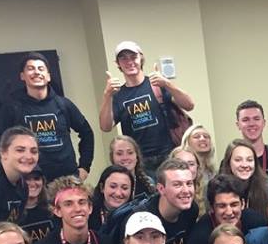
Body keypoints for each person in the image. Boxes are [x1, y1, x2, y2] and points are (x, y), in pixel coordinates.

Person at [0, 51, 94, 182]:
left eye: (41, 68)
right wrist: (5, 175)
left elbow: (87, 133)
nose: (36, 72)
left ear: (48, 76)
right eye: (30, 68)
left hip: (67, 181)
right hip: (31, 184)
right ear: (22, 76)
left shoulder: (64, 104)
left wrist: (84, 167)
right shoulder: (13, 107)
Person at [99, 40, 195, 177]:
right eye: (124, 58)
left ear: (141, 58)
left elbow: (189, 105)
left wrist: (167, 83)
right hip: (139, 161)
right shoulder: (118, 95)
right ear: (118, 63)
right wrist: (107, 95)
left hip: (168, 155)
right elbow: (105, 127)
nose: (129, 62)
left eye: (133, 57)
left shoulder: (157, 84)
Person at [111, 158, 199, 244]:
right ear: (161, 189)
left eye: (189, 183)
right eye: (177, 185)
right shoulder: (139, 218)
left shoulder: (191, 210)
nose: (186, 190)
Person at [181, 174, 266, 244]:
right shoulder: (201, 235)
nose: (229, 212)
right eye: (222, 206)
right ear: (212, 208)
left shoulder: (256, 222)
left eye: (234, 205)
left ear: (243, 204)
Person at [220, 139, 268, 216]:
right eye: (238, 160)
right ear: (228, 162)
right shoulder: (218, 189)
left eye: (249, 160)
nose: (245, 165)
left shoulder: (267, 187)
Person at [236, 100, 268, 180]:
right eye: (245, 120)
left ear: (264, 123)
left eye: (256, 119)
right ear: (238, 125)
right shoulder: (230, 161)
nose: (251, 124)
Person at [88, 165, 135, 233]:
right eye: (113, 186)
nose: (118, 193)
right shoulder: (88, 213)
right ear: (102, 187)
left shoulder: (135, 217)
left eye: (124, 188)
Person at [18, 167, 54, 244]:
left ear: (43, 182)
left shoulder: (53, 209)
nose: (32, 183)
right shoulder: (12, 214)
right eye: (27, 179)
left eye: (37, 178)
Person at [170, 145, 207, 210]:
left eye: (191, 164)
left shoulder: (207, 192)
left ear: (197, 167)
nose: (186, 168)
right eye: (180, 164)